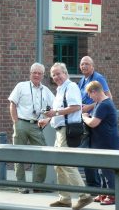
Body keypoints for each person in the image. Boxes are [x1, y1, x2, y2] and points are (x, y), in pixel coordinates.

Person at [39, 62, 93, 210]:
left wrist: (54, 113)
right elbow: (59, 111)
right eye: (54, 75)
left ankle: (85, 196)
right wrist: (48, 119)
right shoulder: (60, 89)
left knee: (66, 163)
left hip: (67, 130)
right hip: (61, 130)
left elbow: (76, 107)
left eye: (58, 73)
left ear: (66, 73)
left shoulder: (71, 87)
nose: (56, 77)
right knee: (59, 165)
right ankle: (64, 198)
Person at [8, 62, 54, 194]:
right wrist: (16, 122)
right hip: (21, 123)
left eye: (39, 73)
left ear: (43, 75)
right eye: (34, 72)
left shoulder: (46, 90)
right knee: (18, 155)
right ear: (30, 73)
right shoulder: (21, 86)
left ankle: (38, 185)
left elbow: (56, 107)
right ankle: (21, 186)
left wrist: (48, 119)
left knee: (43, 153)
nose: (37, 75)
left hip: (36, 125)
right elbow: (12, 104)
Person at [82, 81, 119, 205]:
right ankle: (104, 193)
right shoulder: (100, 103)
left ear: (95, 91)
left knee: (108, 169)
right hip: (101, 142)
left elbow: (93, 123)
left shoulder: (104, 104)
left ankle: (112, 195)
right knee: (101, 169)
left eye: (90, 94)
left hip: (107, 142)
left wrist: (84, 117)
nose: (90, 97)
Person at [78, 55, 112, 190]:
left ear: (92, 66)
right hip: (85, 120)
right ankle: (93, 186)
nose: (84, 66)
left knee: (93, 154)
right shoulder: (82, 80)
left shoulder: (98, 78)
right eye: (82, 64)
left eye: (87, 64)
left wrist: (89, 107)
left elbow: (108, 97)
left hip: (95, 121)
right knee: (87, 153)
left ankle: (96, 187)